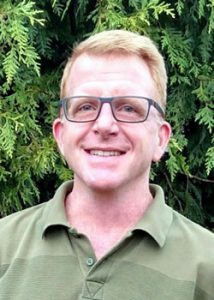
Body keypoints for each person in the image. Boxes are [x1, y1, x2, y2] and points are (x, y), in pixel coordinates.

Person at [0, 30, 214, 300]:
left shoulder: (207, 266)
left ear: (161, 139)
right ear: (61, 136)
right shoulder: (4, 247)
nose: (104, 125)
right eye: (85, 107)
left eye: (128, 108)